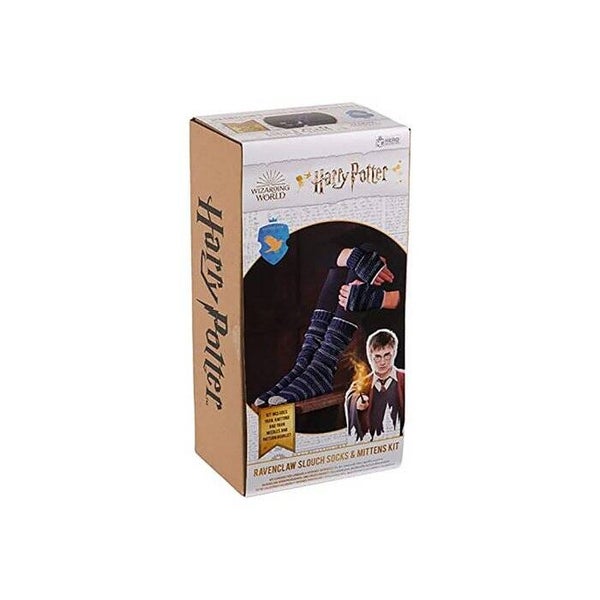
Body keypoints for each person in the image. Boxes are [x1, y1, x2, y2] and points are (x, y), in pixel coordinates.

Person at [254, 246, 401, 407]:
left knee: (368, 256)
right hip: (374, 326)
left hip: (395, 338)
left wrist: (382, 299)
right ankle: (308, 365)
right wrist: (351, 256)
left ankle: (322, 364)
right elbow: (320, 253)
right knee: (365, 255)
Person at [345, 329, 405, 440]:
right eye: (377, 357)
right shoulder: (362, 383)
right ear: (370, 356)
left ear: (394, 352)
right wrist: (357, 402)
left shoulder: (405, 379)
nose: (382, 362)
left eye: (387, 355)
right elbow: (352, 395)